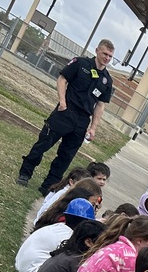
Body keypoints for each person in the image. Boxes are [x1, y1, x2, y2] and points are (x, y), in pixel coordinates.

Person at [17, 39, 115, 193]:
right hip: (65, 112)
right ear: (97, 51)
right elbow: (62, 80)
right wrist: (62, 102)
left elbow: (100, 105)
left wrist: (93, 128)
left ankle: (49, 186)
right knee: (43, 144)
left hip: (82, 121)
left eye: (110, 56)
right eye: (105, 54)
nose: (107, 58)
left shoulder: (107, 80)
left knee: (65, 157)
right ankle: (25, 173)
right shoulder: (80, 63)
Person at [15, 184, 101, 272]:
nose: (95, 209)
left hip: (21, 264)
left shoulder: (58, 226)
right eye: (93, 206)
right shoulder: (68, 236)